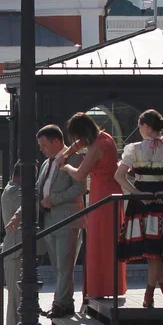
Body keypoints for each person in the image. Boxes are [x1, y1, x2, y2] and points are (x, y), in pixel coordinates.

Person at [115, 109, 163, 308]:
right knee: (154, 251)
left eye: (140, 126)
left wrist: (136, 193)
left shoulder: (134, 149)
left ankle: (151, 295)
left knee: (152, 251)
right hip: (162, 201)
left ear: (145, 126)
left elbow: (119, 175)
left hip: (141, 201)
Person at [12, 125, 85, 318]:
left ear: (56, 141)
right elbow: (37, 191)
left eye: (44, 145)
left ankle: (60, 304)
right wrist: (20, 213)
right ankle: (66, 303)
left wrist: (55, 199)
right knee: (58, 266)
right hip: (50, 220)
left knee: (64, 265)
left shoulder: (75, 158)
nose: (42, 149)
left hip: (67, 219)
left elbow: (79, 188)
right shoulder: (46, 164)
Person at [61, 112, 127, 300]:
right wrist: (65, 153)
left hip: (103, 196)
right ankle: (108, 286)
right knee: (105, 240)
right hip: (108, 191)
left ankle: (101, 287)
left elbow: (80, 174)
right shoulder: (104, 137)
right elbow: (79, 145)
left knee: (99, 241)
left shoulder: (98, 146)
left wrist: (65, 166)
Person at [0, 162, 23, 325]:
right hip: (14, 251)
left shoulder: (14, 189)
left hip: (18, 251)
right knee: (15, 299)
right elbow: (33, 202)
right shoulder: (14, 192)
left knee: (20, 298)